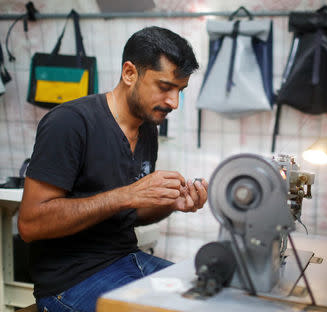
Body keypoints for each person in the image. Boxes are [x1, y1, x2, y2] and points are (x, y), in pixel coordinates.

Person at [18, 26, 208, 312]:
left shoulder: (147, 129)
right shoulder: (69, 123)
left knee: (209, 299)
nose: (174, 103)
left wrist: (170, 203)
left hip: (127, 260)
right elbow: (30, 225)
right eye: (165, 87)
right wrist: (126, 194)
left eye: (180, 90)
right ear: (130, 73)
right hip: (70, 281)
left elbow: (128, 215)